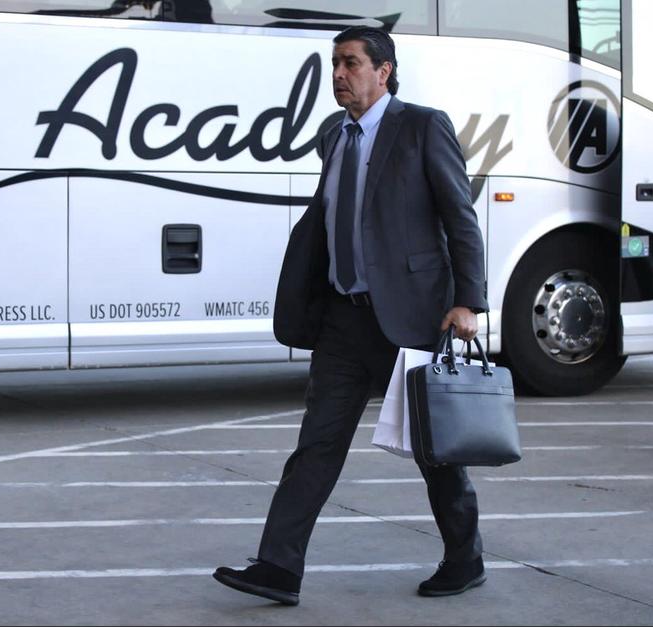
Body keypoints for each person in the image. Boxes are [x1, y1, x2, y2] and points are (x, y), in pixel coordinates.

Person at [212, 26, 488, 605]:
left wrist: (468, 300)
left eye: (351, 63)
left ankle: (464, 557)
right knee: (316, 444)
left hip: (411, 317)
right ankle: (278, 567)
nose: (338, 74)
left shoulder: (421, 125)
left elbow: (460, 217)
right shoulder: (334, 137)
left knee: (434, 449)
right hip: (344, 318)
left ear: (383, 70)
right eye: (334, 63)